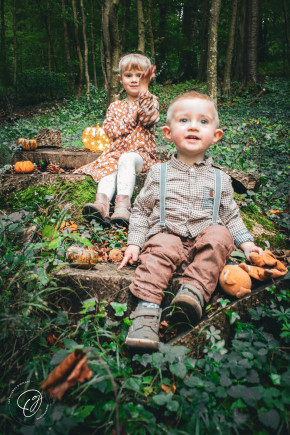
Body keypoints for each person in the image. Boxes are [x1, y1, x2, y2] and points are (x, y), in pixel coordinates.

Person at [118, 91, 263, 350]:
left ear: (216, 136)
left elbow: (231, 216)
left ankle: (192, 294)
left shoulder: (221, 179)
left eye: (203, 122)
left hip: (203, 247)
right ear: (167, 132)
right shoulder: (157, 173)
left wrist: (248, 245)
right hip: (165, 239)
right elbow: (140, 210)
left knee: (221, 235)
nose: (194, 126)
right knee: (162, 244)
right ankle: (147, 312)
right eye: (184, 120)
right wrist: (134, 244)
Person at [74, 53, 159, 227]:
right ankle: (102, 204)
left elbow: (148, 118)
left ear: (148, 78)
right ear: (121, 79)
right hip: (116, 153)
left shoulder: (150, 101)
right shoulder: (115, 106)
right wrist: (130, 117)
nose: (134, 80)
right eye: (129, 76)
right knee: (108, 167)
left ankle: (123, 207)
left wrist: (144, 93)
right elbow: (111, 131)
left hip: (140, 155)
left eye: (140, 76)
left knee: (126, 159)